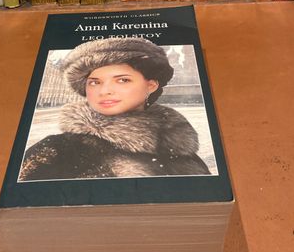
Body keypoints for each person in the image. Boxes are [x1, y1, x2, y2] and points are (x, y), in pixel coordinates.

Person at [19, 37, 209, 181]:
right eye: (95, 82)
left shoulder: (179, 150)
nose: (104, 91)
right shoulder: (57, 151)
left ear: (151, 85)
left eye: (122, 80)